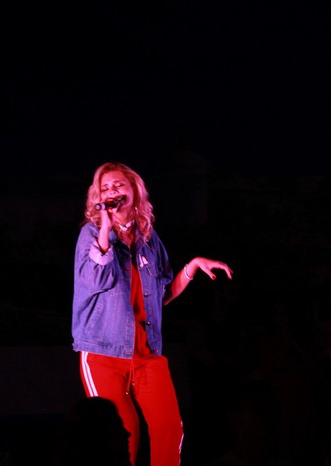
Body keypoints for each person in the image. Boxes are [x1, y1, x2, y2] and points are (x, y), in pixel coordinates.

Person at [72, 161, 234, 466]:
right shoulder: (90, 234)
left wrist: (192, 267)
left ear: (134, 190)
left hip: (146, 353)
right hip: (103, 352)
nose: (112, 191)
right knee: (123, 433)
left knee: (169, 429)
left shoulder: (148, 239)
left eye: (119, 185)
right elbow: (95, 280)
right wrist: (105, 229)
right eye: (105, 188)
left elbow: (161, 296)